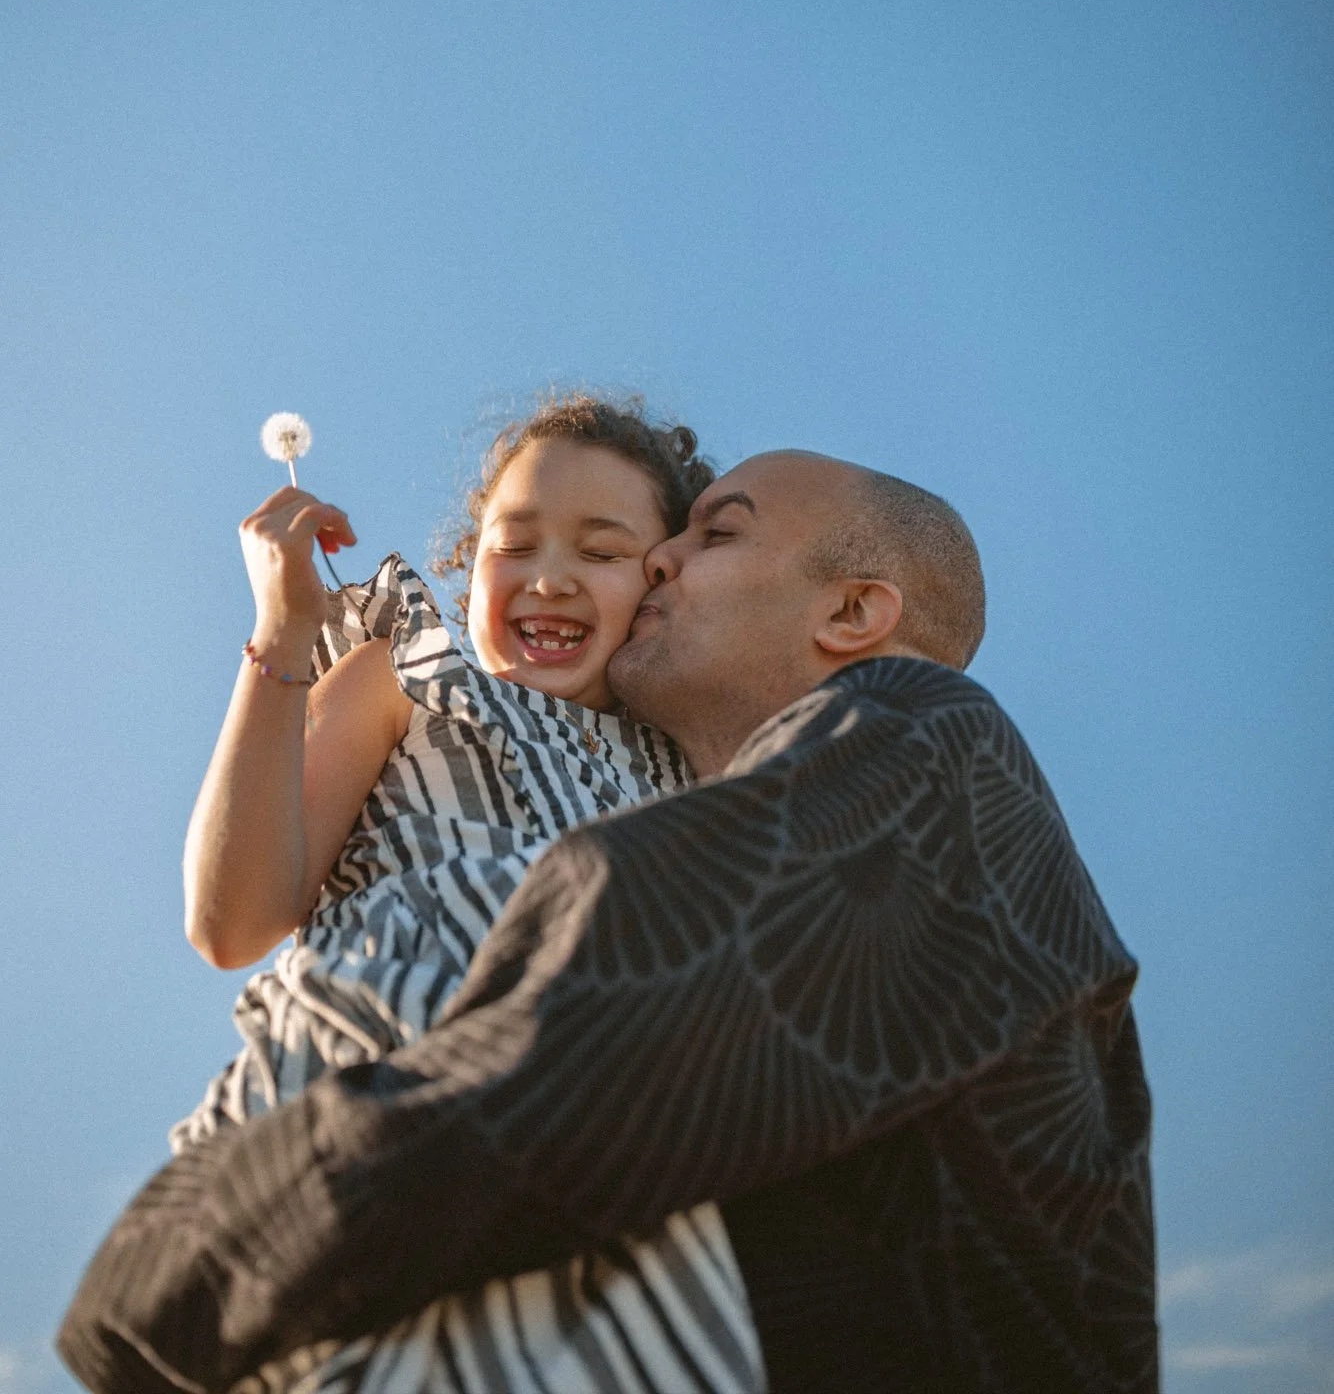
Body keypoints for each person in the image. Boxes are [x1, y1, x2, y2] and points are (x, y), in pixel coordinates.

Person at [59, 451, 1158, 1394]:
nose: (663, 564)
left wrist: (181, 1266)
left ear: (852, 612)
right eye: (515, 542)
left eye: (707, 534)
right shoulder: (446, 704)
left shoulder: (926, 737)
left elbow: (595, 1041)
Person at [170, 393, 766, 1386]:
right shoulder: (401, 681)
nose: (549, 576)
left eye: (602, 549)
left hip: (618, 1161)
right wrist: (282, 630)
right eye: (513, 543)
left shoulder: (697, 775)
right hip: (377, 1116)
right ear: (469, 560)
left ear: (659, 582)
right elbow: (232, 920)